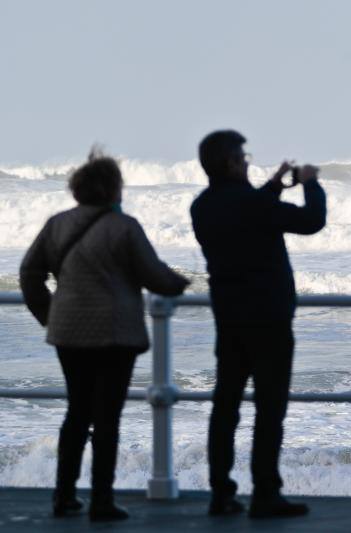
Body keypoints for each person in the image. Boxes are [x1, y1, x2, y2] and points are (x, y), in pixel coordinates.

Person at [19, 148, 190, 522]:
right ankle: (101, 500)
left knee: (77, 412)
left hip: (68, 333)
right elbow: (154, 275)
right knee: (107, 417)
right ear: (113, 188)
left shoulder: (56, 224)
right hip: (114, 334)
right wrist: (182, 283)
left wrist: (48, 315)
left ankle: (63, 497)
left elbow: (30, 273)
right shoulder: (124, 227)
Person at [190, 130, 326, 519]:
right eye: (243, 156)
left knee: (225, 408)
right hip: (269, 319)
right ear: (232, 162)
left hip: (229, 320)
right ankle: (265, 493)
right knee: (269, 410)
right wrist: (311, 184)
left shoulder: (203, 207)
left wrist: (272, 185)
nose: (247, 161)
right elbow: (311, 221)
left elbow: (247, 212)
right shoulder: (252, 205)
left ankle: (221, 493)